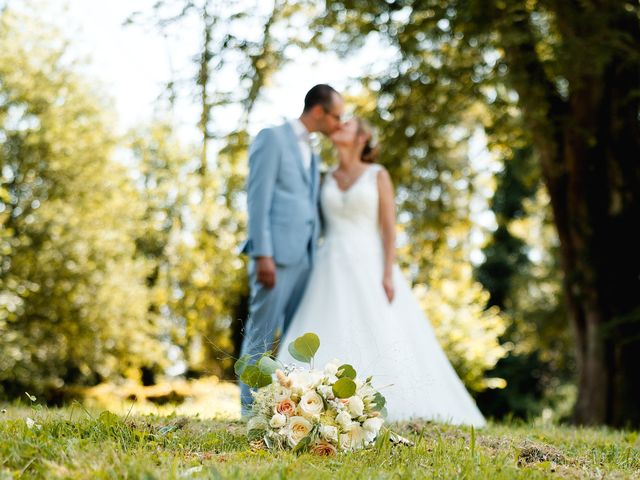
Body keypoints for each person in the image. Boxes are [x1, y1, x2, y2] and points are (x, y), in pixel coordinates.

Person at [277, 118, 486, 426]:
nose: (339, 126)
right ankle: (311, 401)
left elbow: (389, 229)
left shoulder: (378, 175)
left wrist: (388, 273)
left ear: (362, 138)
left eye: (347, 125)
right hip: (329, 265)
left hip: (370, 263)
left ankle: (379, 402)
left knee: (383, 331)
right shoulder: (324, 177)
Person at [239, 84, 344, 416]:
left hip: (306, 259)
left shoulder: (311, 153)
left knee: (295, 338)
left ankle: (284, 409)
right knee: (261, 334)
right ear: (318, 111)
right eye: (336, 116)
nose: (338, 124)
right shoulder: (272, 138)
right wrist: (261, 254)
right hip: (274, 257)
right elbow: (257, 201)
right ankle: (248, 409)